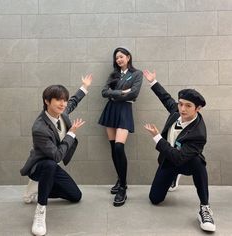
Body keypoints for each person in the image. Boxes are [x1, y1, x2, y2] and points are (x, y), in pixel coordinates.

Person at [143, 70, 216, 232]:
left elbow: (178, 157)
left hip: (185, 162)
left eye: (188, 106)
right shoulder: (177, 112)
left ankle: (205, 207)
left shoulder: (199, 134)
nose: (182, 109)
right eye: (180, 103)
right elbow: (166, 98)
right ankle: (173, 177)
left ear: (198, 109)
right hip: (169, 160)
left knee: (198, 162)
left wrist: (157, 138)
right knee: (154, 199)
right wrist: (153, 82)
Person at [20, 74, 92, 236]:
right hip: (40, 165)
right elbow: (57, 156)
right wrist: (71, 133)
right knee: (50, 164)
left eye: (64, 100)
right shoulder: (39, 128)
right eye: (58, 100)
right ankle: (40, 210)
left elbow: (73, 102)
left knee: (75, 196)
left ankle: (37, 187)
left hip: (51, 167)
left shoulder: (62, 113)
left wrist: (84, 87)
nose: (63, 103)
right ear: (47, 101)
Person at [98, 47, 143, 207]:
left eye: (121, 56)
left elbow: (134, 94)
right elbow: (104, 92)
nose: (119, 60)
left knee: (119, 148)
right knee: (112, 147)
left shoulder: (137, 74)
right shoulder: (113, 74)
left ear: (128, 57)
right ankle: (120, 179)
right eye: (117, 58)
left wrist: (114, 93)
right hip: (111, 111)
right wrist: (122, 92)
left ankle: (123, 187)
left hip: (124, 112)